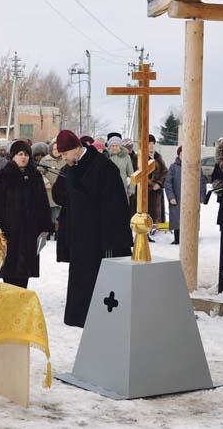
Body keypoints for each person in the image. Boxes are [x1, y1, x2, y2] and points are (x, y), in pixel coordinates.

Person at [54, 130, 132, 328]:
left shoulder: (103, 167)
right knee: (83, 298)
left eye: (64, 154)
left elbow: (116, 207)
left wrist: (113, 243)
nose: (63, 158)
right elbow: (67, 204)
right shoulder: (72, 167)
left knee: (103, 298)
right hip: (81, 243)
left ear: (76, 148)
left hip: (101, 242)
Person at [0, 140, 52, 289]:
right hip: (10, 229)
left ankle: (22, 297)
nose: (23, 157)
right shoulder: (4, 175)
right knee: (10, 269)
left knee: (25, 270)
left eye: (26, 154)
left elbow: (43, 203)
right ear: (13, 156)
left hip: (30, 230)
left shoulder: (35, 176)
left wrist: (45, 227)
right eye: (20, 154)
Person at [165, 146, 206, 245]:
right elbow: (168, 183)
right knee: (177, 218)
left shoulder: (195, 167)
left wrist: (200, 197)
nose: (184, 156)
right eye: (182, 154)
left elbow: (201, 182)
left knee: (192, 218)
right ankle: (177, 239)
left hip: (191, 198)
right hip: (177, 197)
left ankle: (192, 238)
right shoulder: (173, 167)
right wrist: (171, 197)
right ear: (179, 155)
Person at [39, 140, 65, 237]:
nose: (56, 151)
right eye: (54, 149)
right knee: (51, 212)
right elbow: (39, 173)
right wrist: (45, 181)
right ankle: (50, 230)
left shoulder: (65, 159)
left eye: (58, 149)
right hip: (49, 190)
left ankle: (59, 231)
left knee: (60, 212)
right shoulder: (45, 160)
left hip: (62, 190)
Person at [147, 134, 168, 242]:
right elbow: (141, 174)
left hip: (157, 190)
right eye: (148, 143)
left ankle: (153, 229)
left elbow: (165, 171)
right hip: (146, 191)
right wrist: (151, 184)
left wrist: (159, 183)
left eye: (152, 143)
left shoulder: (158, 156)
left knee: (156, 213)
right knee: (146, 211)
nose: (150, 146)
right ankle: (145, 232)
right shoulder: (140, 156)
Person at [107, 135, 134, 200]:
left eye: (116, 146)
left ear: (120, 146)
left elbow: (131, 174)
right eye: (112, 146)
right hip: (108, 189)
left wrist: (131, 189)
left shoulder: (126, 157)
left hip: (123, 188)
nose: (114, 148)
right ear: (109, 147)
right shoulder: (106, 157)